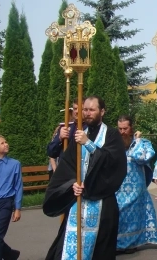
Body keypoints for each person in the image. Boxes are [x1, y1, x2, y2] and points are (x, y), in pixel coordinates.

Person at [43, 96, 127, 260]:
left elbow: (113, 164)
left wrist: (88, 143)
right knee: (66, 248)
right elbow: (68, 166)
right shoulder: (79, 135)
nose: (87, 113)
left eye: (92, 110)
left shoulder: (111, 135)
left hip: (102, 201)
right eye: (85, 110)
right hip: (78, 201)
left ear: (102, 111)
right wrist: (71, 184)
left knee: (100, 251)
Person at [116, 115, 157, 253]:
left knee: (133, 218)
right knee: (118, 216)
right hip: (118, 188)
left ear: (131, 128)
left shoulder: (144, 143)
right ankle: (116, 244)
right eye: (120, 129)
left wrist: (138, 141)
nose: (122, 132)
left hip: (136, 189)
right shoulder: (114, 143)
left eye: (125, 128)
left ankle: (131, 244)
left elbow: (141, 158)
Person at [47, 100, 82, 169]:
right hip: (65, 171)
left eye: (80, 109)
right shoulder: (65, 127)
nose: (77, 112)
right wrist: (60, 138)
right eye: (75, 109)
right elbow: (51, 152)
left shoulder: (90, 128)